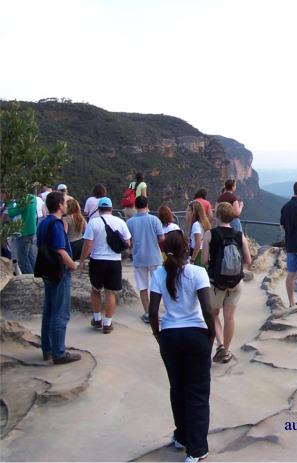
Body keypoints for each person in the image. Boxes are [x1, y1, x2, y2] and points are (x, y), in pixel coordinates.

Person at [148, 230, 215, 463]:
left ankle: (182, 436)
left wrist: (158, 334)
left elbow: (153, 310)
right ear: (187, 249)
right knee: (197, 392)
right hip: (196, 335)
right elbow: (207, 309)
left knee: (177, 388)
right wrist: (212, 335)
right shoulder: (198, 273)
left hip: (170, 337)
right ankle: (197, 450)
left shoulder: (158, 274)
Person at [202, 202, 252, 364]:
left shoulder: (210, 234)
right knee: (229, 317)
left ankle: (221, 346)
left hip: (217, 283)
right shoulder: (239, 235)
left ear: (217, 216)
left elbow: (204, 261)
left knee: (214, 314)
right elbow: (248, 260)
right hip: (236, 283)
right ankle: (227, 351)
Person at [36, 191, 81, 364]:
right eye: (64, 202)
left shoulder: (44, 222)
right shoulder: (55, 224)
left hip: (47, 270)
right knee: (60, 313)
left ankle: (47, 349)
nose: (66, 204)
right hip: (58, 272)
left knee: (48, 311)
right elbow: (60, 250)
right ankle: (59, 353)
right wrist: (73, 265)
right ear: (60, 205)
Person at [79, 197, 131, 334]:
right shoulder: (120, 222)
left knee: (96, 290)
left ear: (99, 209)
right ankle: (107, 323)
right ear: (111, 208)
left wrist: (82, 260)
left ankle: (97, 319)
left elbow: (88, 244)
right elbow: (128, 242)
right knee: (110, 292)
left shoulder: (93, 222)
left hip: (97, 260)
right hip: (114, 261)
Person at [126, 196, 164, 324]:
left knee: (143, 287)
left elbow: (128, 241)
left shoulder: (130, 222)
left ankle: (148, 313)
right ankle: (156, 312)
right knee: (157, 285)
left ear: (135, 207)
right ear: (147, 205)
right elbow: (161, 238)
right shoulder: (154, 220)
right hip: (154, 257)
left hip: (139, 257)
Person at [7, 192, 38, 274]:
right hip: (32, 231)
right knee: (31, 256)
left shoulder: (24, 200)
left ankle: (29, 280)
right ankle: (37, 278)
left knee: (22, 259)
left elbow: (11, 213)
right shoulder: (32, 197)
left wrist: (9, 202)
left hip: (24, 233)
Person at [187, 200, 211, 267]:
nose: (187, 213)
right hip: (203, 252)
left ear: (194, 212)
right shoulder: (202, 223)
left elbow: (198, 243)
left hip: (198, 254)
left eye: (189, 210)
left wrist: (192, 259)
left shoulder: (196, 225)